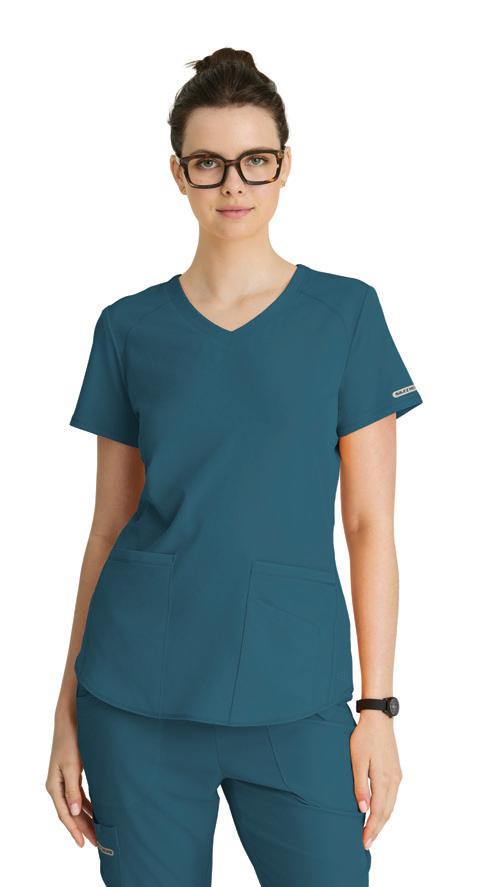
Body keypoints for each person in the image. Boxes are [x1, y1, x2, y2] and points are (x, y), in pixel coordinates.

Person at [45, 46, 423, 887]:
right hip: (134, 700)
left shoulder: (346, 314)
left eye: (255, 160)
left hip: (295, 697)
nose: (233, 184)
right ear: (177, 174)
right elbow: (108, 528)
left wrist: (378, 707)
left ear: (285, 166)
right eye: (208, 163)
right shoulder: (128, 328)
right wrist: (66, 709)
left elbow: (369, 525)